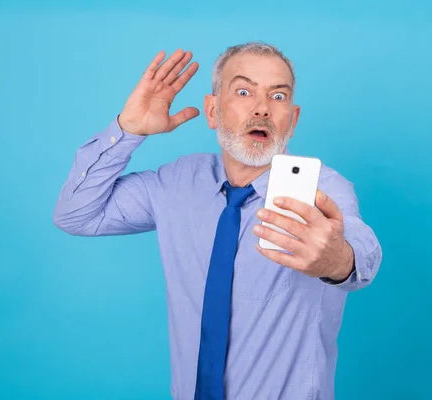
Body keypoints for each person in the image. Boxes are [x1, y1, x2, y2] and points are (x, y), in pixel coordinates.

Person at [53, 41, 382, 400]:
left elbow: (360, 251)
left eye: (278, 97)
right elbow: (76, 214)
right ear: (212, 111)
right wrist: (129, 129)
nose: (262, 109)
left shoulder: (323, 191)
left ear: (293, 118)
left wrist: (338, 260)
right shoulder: (177, 182)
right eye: (244, 91)